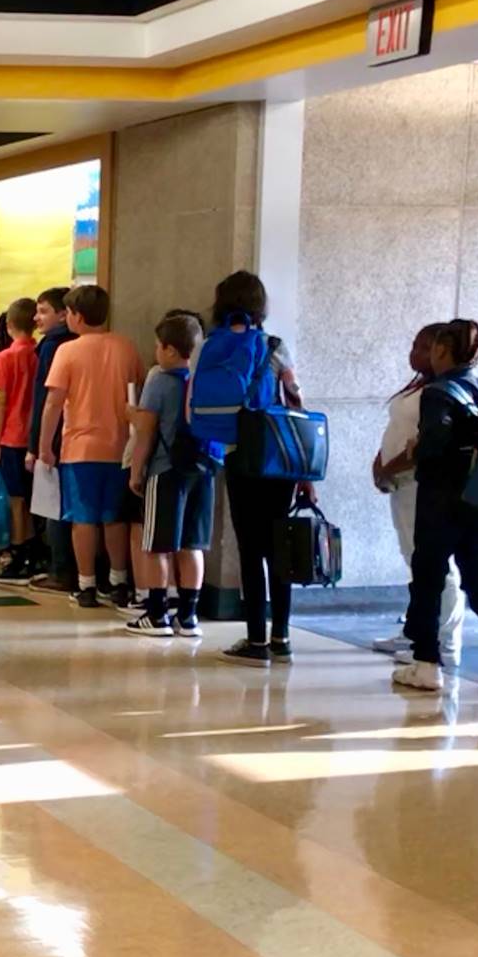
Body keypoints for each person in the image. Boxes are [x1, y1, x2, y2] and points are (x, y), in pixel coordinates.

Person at [393, 320, 478, 694]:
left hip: (440, 501)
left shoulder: (438, 392)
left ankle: (426, 663)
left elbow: (436, 444)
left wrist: (417, 448)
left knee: (428, 579)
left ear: (443, 350)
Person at [203, 271, 306, 667]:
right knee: (279, 547)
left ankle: (255, 638)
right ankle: (282, 637)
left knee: (250, 548)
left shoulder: (213, 346)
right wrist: (303, 472)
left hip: (237, 453)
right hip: (277, 457)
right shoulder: (275, 347)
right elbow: (295, 400)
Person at [38, 285, 141, 610]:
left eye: (68, 313)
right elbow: (137, 393)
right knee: (114, 518)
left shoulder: (67, 351)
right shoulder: (126, 347)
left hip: (80, 446)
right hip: (120, 447)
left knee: (82, 518)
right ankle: (119, 580)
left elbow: (53, 403)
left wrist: (44, 446)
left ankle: (86, 585)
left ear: (77, 316)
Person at [373, 323, 463, 669]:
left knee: (437, 564)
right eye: (414, 344)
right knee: (413, 558)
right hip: (401, 484)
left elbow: (423, 443)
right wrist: (380, 464)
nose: (414, 353)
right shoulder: (418, 387)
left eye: (423, 347)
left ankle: (444, 639)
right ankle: (417, 629)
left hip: (421, 484)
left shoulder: (442, 391)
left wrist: (389, 467)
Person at [123, 311, 213, 639]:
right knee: (192, 544)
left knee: (156, 545)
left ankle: (157, 614)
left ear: (172, 350)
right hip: (203, 470)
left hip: (166, 470)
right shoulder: (203, 378)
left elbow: (146, 432)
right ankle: (188, 616)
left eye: (159, 347)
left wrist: (136, 472)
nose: (156, 352)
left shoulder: (159, 380)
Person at [0, 299, 42, 585]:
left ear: (8, 325)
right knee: (32, 500)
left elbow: (0, 401)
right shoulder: (40, 353)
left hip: (12, 434)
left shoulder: (6, 357)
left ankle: (18, 555)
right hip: (34, 435)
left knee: (16, 501)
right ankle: (34, 551)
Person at [26, 286, 78, 594]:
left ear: (64, 315)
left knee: (55, 505)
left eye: (44, 311)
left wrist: (36, 444)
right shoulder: (77, 344)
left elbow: (46, 397)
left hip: (56, 436)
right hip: (76, 434)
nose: (37, 317)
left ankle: (61, 569)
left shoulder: (52, 347)